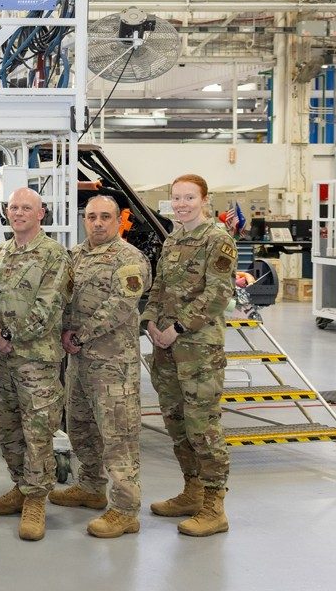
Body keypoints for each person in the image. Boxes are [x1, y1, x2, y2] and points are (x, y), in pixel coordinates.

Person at [142, 173, 235, 537]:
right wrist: (149, 320)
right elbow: (159, 285)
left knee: (203, 426)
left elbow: (217, 293)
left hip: (198, 350)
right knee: (176, 421)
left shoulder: (217, 239)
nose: (181, 204)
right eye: (176, 199)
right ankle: (192, 491)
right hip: (165, 347)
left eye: (188, 198)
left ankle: (215, 506)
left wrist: (176, 328)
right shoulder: (173, 238)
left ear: (204, 199)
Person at [53, 194, 150, 538]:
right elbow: (63, 299)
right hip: (79, 363)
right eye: (91, 216)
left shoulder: (129, 258)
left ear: (118, 220)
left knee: (118, 437)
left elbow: (121, 305)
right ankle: (91, 487)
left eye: (105, 217)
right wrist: (64, 330)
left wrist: (80, 334)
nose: (97, 222)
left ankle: (125, 509)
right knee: (81, 428)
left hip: (113, 366)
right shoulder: (76, 255)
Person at [0, 186, 71, 541]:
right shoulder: (0, 253)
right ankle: (20, 485)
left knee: (38, 431)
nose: (18, 213)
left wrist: (9, 337)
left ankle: (36, 500)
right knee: (8, 427)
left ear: (40, 213)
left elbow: (48, 310)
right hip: (3, 361)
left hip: (37, 362)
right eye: (13, 207)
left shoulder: (54, 256)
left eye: (25, 208)